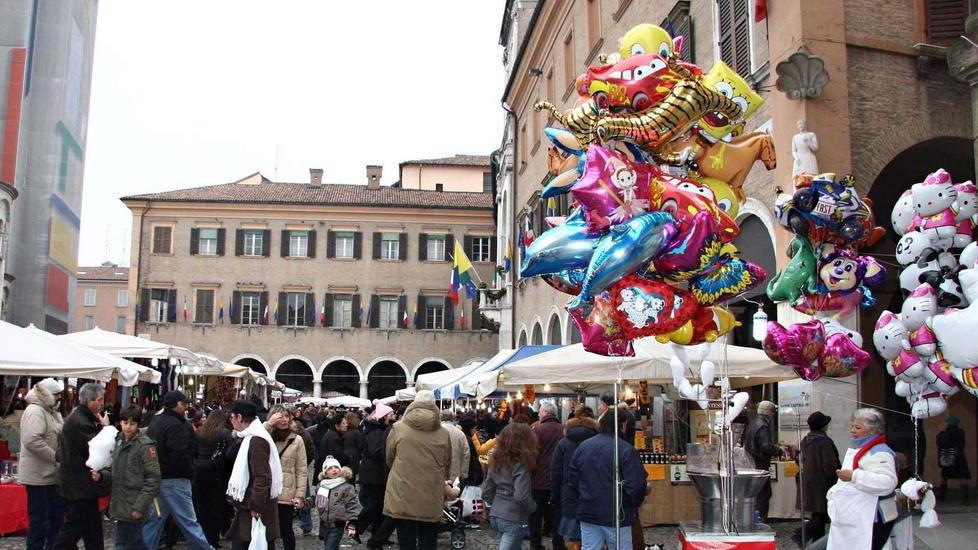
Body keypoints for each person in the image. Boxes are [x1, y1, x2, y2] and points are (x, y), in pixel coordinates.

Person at [565, 405, 647, 550]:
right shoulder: (626, 450)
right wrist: (630, 505)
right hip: (617, 514)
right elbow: (637, 486)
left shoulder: (584, 447)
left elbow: (572, 481)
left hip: (588, 512)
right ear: (623, 425)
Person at [141, 391, 212, 550]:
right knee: (188, 521)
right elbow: (179, 454)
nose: (186, 407)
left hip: (158, 477)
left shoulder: (156, 422)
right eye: (184, 404)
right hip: (175, 479)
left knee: (155, 519)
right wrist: (189, 472)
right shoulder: (176, 425)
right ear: (177, 404)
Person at [383, 390, 451, 550]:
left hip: (403, 492)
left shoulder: (398, 428)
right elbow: (446, 463)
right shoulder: (443, 433)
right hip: (430, 493)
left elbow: (389, 458)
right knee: (428, 541)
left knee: (406, 541)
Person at [825, 408, 899, 550]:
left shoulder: (879, 451)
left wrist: (854, 476)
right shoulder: (859, 447)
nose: (852, 430)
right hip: (859, 515)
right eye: (852, 426)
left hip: (874, 516)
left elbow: (887, 482)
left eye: (857, 427)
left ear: (872, 430)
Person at [91, 405, 161, 550]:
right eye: (125, 423)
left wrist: (140, 506)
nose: (128, 427)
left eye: (133, 423)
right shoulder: (118, 442)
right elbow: (114, 471)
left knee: (125, 544)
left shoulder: (145, 446)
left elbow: (152, 480)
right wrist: (101, 476)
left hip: (134, 502)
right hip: (120, 503)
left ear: (138, 424)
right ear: (120, 422)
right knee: (133, 543)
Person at [52, 382, 109, 550]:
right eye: (98, 400)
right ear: (88, 401)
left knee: (92, 529)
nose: (101, 403)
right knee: (74, 528)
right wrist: (105, 428)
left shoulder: (82, 417)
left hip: (82, 484)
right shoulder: (79, 421)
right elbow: (96, 448)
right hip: (79, 485)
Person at [227, 399, 282, 550]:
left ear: (239, 417)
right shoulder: (250, 436)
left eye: (232, 417)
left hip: (255, 506)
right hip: (250, 503)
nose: (231, 421)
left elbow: (263, 476)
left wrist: (256, 506)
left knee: (255, 543)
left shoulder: (257, 440)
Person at [20, 378, 65, 550]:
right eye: (57, 394)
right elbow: (32, 441)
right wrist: (56, 457)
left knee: (55, 518)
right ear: (49, 395)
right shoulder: (35, 411)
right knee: (40, 520)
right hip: (37, 476)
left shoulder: (51, 411)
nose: (60, 397)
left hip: (50, 475)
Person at [482, 423, 539, 550]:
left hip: (496, 514)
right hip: (513, 516)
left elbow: (486, 491)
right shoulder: (521, 463)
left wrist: (497, 503)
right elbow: (521, 496)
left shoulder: (496, 460)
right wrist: (533, 508)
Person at [551, 406, 598, 550]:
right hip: (594, 494)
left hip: (569, 493)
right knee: (593, 534)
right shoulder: (598, 442)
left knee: (572, 536)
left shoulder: (564, 442)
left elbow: (555, 471)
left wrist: (554, 495)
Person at [264, 405, 308, 550]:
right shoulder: (266, 436)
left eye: (287, 416)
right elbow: (253, 438)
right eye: (280, 416)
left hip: (287, 493)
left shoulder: (297, 440)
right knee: (267, 531)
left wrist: (300, 495)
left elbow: (301, 470)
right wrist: (268, 424)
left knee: (286, 530)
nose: (284, 420)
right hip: (267, 491)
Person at [795, 411, 840, 544]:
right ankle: (801, 535)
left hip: (808, 481)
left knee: (818, 514)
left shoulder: (805, 440)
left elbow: (798, 459)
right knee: (820, 515)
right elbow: (829, 464)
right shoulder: (824, 442)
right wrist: (835, 478)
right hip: (822, 483)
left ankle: (816, 542)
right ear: (823, 426)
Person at [357, 402, 396, 549]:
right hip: (374, 475)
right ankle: (357, 525)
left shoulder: (381, 430)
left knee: (381, 507)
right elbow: (377, 451)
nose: (393, 416)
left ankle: (378, 537)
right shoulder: (376, 432)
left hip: (378, 474)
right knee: (376, 504)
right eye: (391, 414)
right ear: (384, 417)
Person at [194, 409, 234, 548]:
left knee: (204, 508)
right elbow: (230, 455)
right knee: (216, 507)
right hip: (217, 474)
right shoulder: (225, 434)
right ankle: (213, 538)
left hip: (200, 473)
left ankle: (204, 536)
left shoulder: (200, 433)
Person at [529, 401, 563, 550]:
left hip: (539, 480)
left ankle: (535, 545)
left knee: (536, 517)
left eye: (540, 412)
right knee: (557, 517)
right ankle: (558, 545)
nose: (539, 414)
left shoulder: (537, 430)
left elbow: (532, 455)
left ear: (546, 413)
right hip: (558, 481)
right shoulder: (563, 430)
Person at [744, 400, 780, 520]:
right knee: (763, 495)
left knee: (757, 494)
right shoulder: (762, 426)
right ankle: (759, 520)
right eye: (773, 412)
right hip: (760, 464)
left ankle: (754, 519)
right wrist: (778, 451)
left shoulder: (753, 423)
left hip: (752, 462)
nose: (773, 415)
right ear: (768, 412)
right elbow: (766, 446)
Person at [316, 456, 362, 550]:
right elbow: (315, 499)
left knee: (330, 547)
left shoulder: (346, 487)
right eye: (330, 468)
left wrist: (352, 521)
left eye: (336, 467)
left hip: (338, 524)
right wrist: (305, 502)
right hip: (324, 523)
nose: (334, 470)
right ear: (325, 473)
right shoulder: (321, 486)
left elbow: (352, 504)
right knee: (330, 545)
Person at [937, 416, 971, 504]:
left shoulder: (946, 433)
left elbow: (941, 443)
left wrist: (942, 432)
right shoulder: (961, 432)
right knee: (962, 478)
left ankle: (942, 496)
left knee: (944, 478)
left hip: (948, 458)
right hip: (959, 458)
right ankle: (966, 499)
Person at [441, 409, 471, 484]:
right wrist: (463, 473)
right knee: (454, 494)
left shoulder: (435, 432)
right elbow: (466, 454)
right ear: (452, 418)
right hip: (455, 475)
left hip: (438, 474)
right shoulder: (460, 434)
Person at [457, 413, 485, 487]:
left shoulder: (459, 436)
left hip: (461, 473)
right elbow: (473, 456)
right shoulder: (468, 440)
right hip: (469, 474)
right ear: (470, 428)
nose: (475, 431)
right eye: (475, 428)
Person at [343, 411, 363, 480]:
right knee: (351, 477)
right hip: (353, 457)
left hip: (345, 456)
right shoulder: (356, 432)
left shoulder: (345, 431)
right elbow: (360, 446)